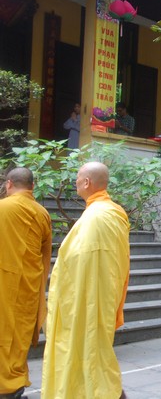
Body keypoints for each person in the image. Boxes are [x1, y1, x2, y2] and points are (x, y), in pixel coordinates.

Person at [41, 162, 130, 399]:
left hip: (87, 297)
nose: (75, 182)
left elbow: (79, 261)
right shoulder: (113, 212)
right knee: (94, 348)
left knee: (89, 349)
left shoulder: (97, 216)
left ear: (87, 182)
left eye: (78, 178)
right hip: (104, 293)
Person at [0, 168, 52, 399]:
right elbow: (45, 255)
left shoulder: (2, 208)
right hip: (28, 289)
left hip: (4, 284)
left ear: (9, 184)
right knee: (18, 337)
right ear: (32, 186)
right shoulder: (42, 214)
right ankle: (15, 386)